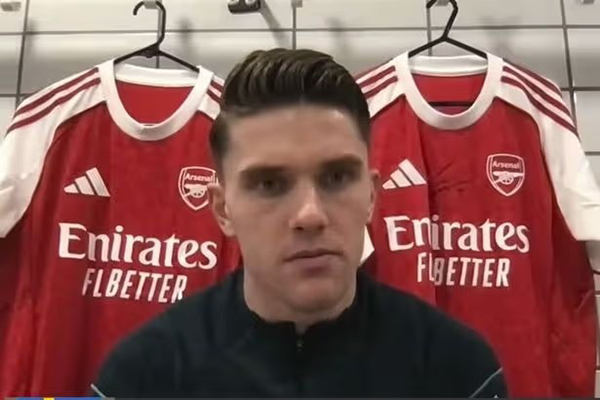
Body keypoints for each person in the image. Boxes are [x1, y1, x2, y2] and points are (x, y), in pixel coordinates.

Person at [92, 48, 507, 398]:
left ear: (371, 196)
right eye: (270, 184)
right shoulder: (139, 377)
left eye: (337, 177)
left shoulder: (461, 371)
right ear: (223, 209)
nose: (310, 214)